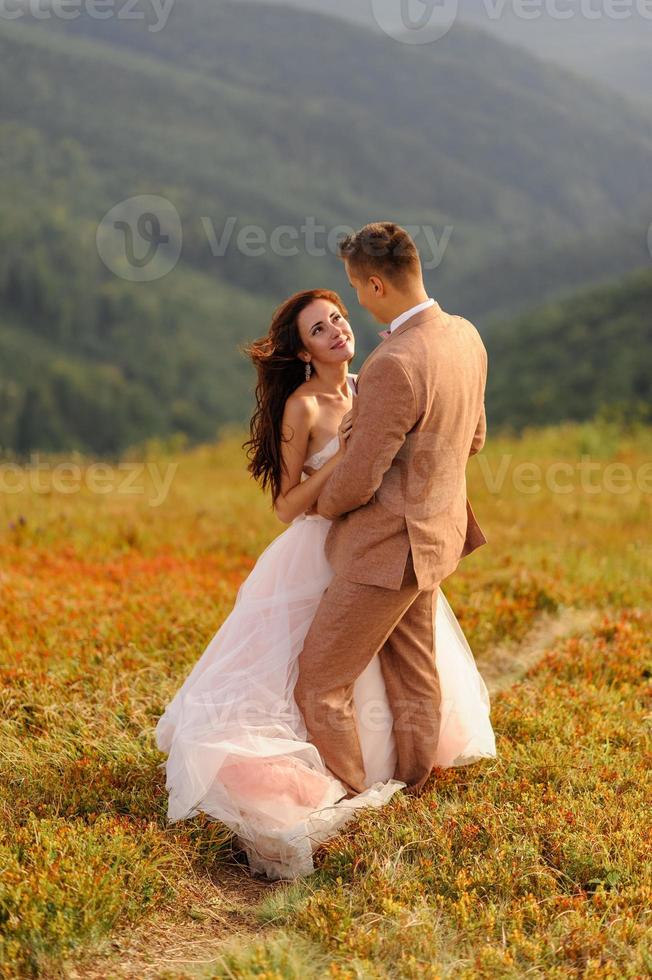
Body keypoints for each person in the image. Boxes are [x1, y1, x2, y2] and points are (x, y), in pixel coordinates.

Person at [155, 278, 495, 881]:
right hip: (320, 548)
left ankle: (399, 782)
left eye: (338, 318)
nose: (337, 330)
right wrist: (343, 461)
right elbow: (288, 505)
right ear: (303, 352)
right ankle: (343, 791)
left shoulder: (376, 381)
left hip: (386, 544)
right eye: (320, 328)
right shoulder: (303, 407)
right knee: (307, 673)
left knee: (404, 666)